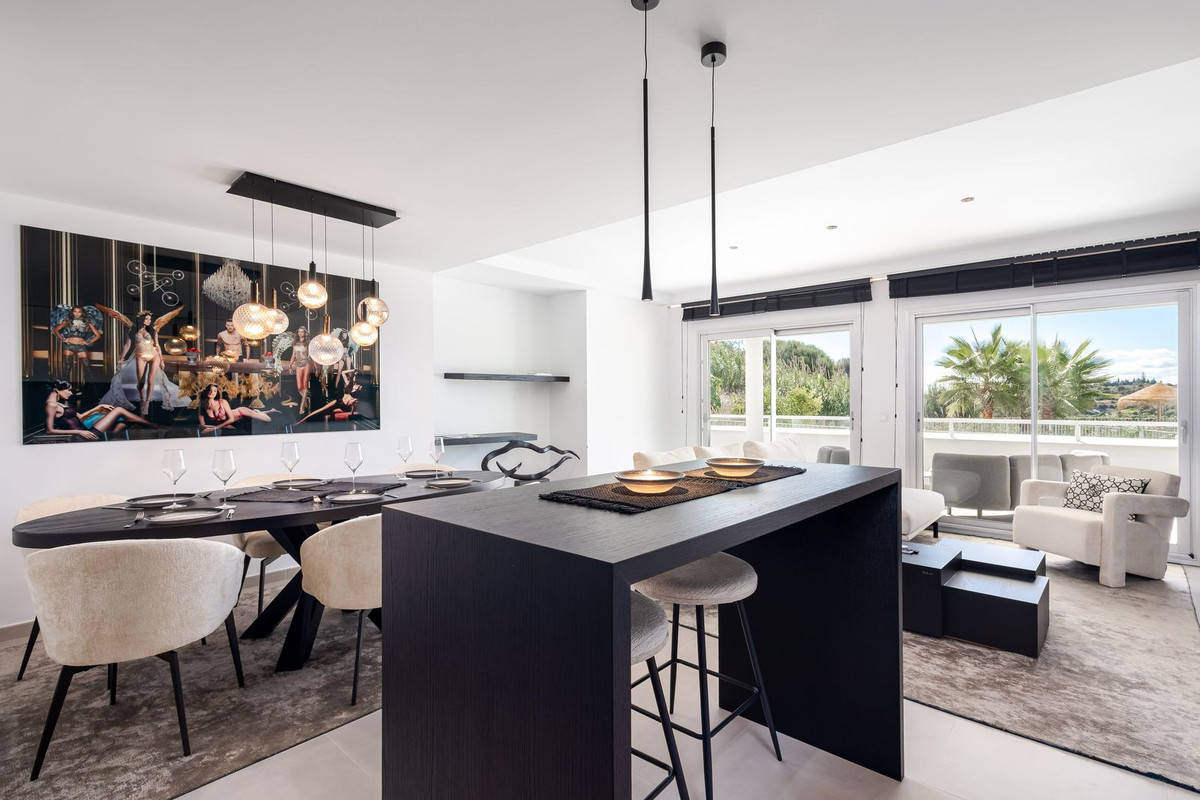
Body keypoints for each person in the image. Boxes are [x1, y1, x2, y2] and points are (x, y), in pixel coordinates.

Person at [44, 380, 152, 440]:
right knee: (118, 410)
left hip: (85, 430)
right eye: (69, 390)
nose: (71, 393)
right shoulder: (51, 405)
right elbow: (50, 431)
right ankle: (152, 425)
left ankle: (108, 445)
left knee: (122, 424)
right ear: (57, 390)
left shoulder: (58, 404)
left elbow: (80, 417)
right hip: (84, 435)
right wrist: (79, 432)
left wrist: (99, 407)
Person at [116, 311, 164, 415]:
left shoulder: (153, 330)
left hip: (154, 355)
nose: (149, 321)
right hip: (141, 356)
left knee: (151, 379)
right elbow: (127, 344)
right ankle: (142, 400)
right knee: (141, 381)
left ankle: (147, 403)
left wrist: (162, 359)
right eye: (147, 319)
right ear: (141, 319)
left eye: (150, 319)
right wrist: (122, 357)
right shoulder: (133, 330)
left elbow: (157, 345)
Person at [197, 382, 277, 434]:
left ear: (217, 393)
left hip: (242, 412)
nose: (212, 393)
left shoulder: (222, 402)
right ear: (206, 391)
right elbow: (202, 426)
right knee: (255, 416)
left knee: (268, 420)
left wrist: (214, 428)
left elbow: (231, 419)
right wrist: (225, 426)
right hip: (237, 419)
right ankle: (266, 411)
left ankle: (259, 412)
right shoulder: (202, 406)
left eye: (215, 391)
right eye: (210, 390)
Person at [52, 306, 101, 381]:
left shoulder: (87, 322)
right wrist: (63, 339)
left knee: (87, 367)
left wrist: (88, 342)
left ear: (82, 313)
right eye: (75, 311)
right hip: (69, 346)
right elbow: (56, 330)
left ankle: (91, 386)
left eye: (79, 312)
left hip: (81, 346)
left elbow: (98, 335)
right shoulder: (68, 321)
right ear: (72, 312)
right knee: (67, 368)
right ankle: (65, 386)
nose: (77, 314)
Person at [297, 380, 362, 424]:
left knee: (324, 412)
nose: (358, 388)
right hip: (337, 402)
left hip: (341, 405)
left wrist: (352, 412)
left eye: (359, 388)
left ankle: (303, 421)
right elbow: (344, 374)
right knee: (321, 410)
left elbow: (352, 407)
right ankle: (301, 421)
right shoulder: (349, 388)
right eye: (358, 386)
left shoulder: (354, 398)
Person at [290, 326, 312, 415]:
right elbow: (293, 355)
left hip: (306, 363)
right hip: (298, 364)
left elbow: (310, 356)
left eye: (302, 331)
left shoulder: (308, 343)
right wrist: (290, 366)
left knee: (305, 384)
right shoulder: (295, 343)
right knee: (299, 387)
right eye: (299, 331)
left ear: (305, 333)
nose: (300, 333)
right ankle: (305, 399)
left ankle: (302, 405)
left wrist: (305, 357)